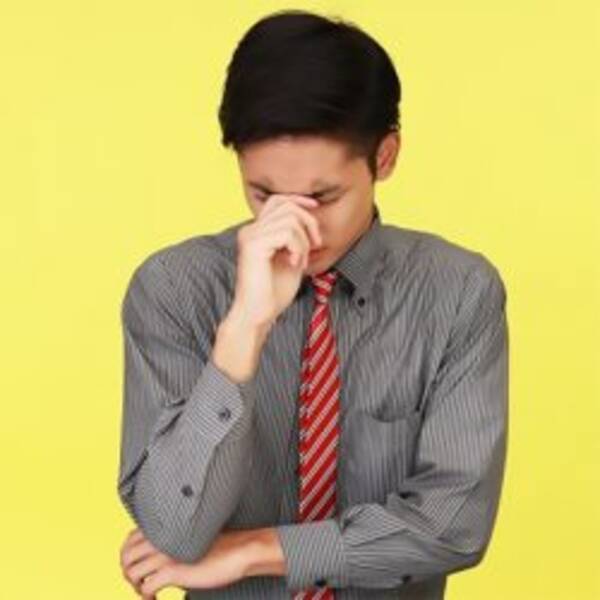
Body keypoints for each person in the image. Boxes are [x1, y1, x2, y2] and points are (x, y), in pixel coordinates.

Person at [117, 9, 509, 600]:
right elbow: (173, 530)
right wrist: (243, 333)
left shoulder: (457, 294)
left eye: (323, 197)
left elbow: (453, 526)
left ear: (385, 157)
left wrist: (255, 551)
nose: (293, 227)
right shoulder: (174, 290)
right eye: (263, 194)